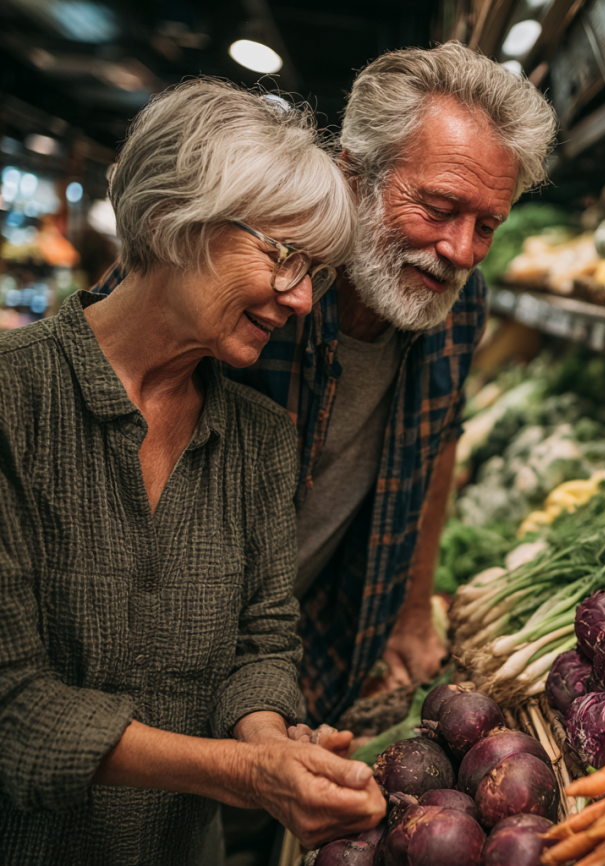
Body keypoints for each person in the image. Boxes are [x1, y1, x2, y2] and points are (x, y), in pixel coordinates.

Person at [95, 42, 559, 727]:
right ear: (353, 172)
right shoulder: (238, 268)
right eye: (437, 207)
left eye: (487, 224)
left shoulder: (458, 307)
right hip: (135, 659)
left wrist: (410, 609)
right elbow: (95, 381)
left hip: (298, 665)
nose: (462, 250)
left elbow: (437, 445)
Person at [0, 79, 385, 866]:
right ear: (178, 218)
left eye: (315, 269)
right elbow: (13, 709)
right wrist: (244, 774)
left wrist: (273, 744)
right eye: (283, 254)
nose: (304, 297)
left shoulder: (257, 441)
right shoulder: (15, 400)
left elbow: (263, 644)